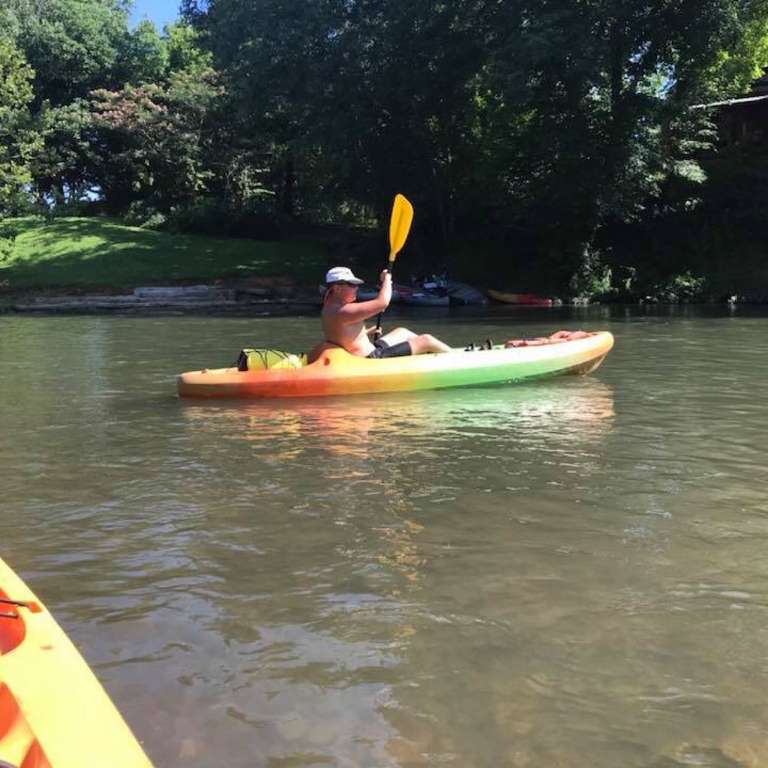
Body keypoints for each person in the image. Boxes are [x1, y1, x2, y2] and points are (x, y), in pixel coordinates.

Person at [312, 266, 451, 361]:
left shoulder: (330, 307)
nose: (356, 288)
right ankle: (456, 358)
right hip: (371, 358)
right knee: (427, 339)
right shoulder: (343, 311)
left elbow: (341, 334)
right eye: (352, 285)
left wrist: (365, 332)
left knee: (402, 332)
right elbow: (382, 302)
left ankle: (425, 357)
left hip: (368, 351)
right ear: (336, 288)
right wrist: (387, 281)